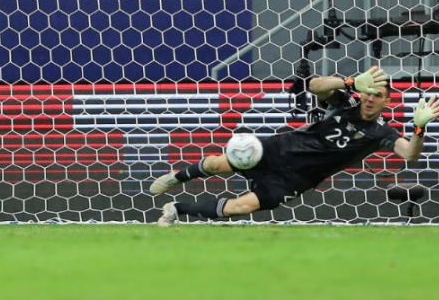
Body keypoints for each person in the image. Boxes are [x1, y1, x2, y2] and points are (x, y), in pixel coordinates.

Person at [151, 65, 439, 225]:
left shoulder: (381, 132)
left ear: (387, 101)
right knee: (217, 164)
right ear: (363, 92)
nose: (371, 98)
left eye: (378, 96)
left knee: (240, 207)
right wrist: (349, 81)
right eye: (369, 92)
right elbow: (314, 85)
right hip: (277, 151)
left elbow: (409, 154)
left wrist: (419, 129)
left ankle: (176, 209)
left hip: (297, 179)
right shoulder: (346, 102)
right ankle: (176, 177)